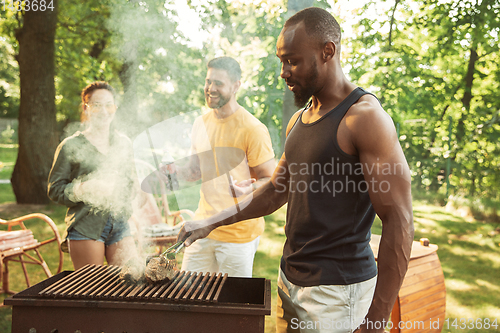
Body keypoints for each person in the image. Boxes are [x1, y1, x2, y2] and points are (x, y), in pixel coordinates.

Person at [178, 8, 414, 333]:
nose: (283, 72)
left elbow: (399, 220)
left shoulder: (364, 118)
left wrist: (375, 321)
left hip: (336, 292)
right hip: (290, 281)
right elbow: (276, 190)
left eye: (292, 61)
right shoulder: (299, 120)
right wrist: (209, 222)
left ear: (327, 52)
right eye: (281, 61)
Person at [169, 56, 275, 278]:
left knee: (232, 306)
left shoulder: (253, 129)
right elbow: (194, 171)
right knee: (188, 299)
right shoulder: (201, 123)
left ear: (236, 86)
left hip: (239, 234)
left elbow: (270, 181)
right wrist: (175, 173)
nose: (210, 88)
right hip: (202, 227)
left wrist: (250, 188)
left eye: (218, 83)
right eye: (208, 82)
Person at [48, 81, 139, 270]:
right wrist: (83, 189)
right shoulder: (70, 145)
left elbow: (130, 182)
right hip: (86, 226)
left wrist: (131, 194)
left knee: (129, 286)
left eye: (109, 105)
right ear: (86, 108)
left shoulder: (123, 143)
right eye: (97, 105)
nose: (104, 111)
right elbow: (54, 189)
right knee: (90, 290)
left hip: (120, 225)